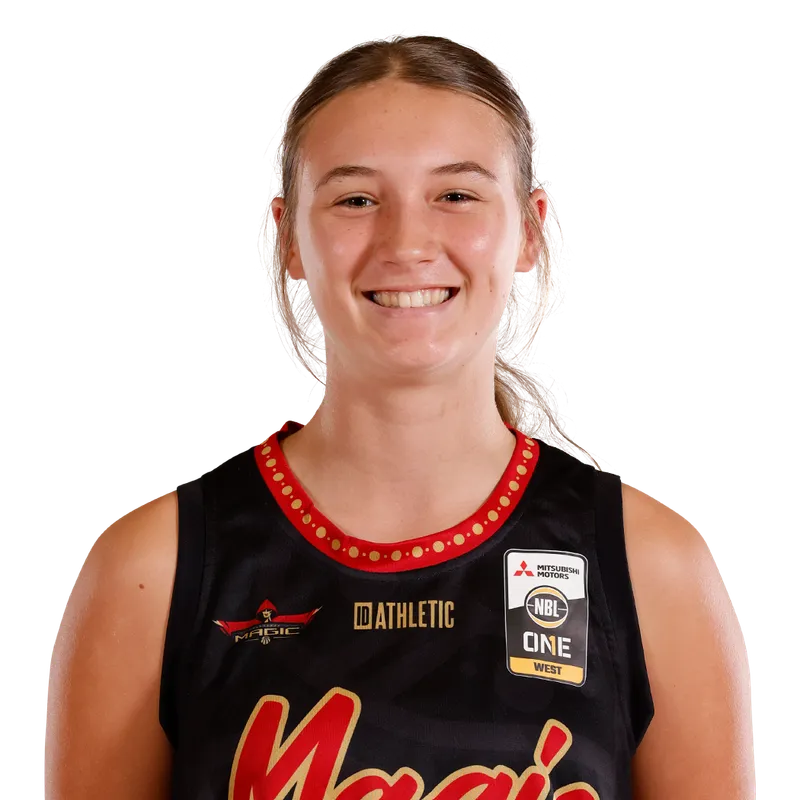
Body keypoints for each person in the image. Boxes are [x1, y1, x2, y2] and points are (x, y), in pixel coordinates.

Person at [44, 32, 756, 799]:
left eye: (456, 195)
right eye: (355, 199)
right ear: (287, 238)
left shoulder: (652, 566)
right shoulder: (154, 569)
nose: (407, 243)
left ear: (531, 229)